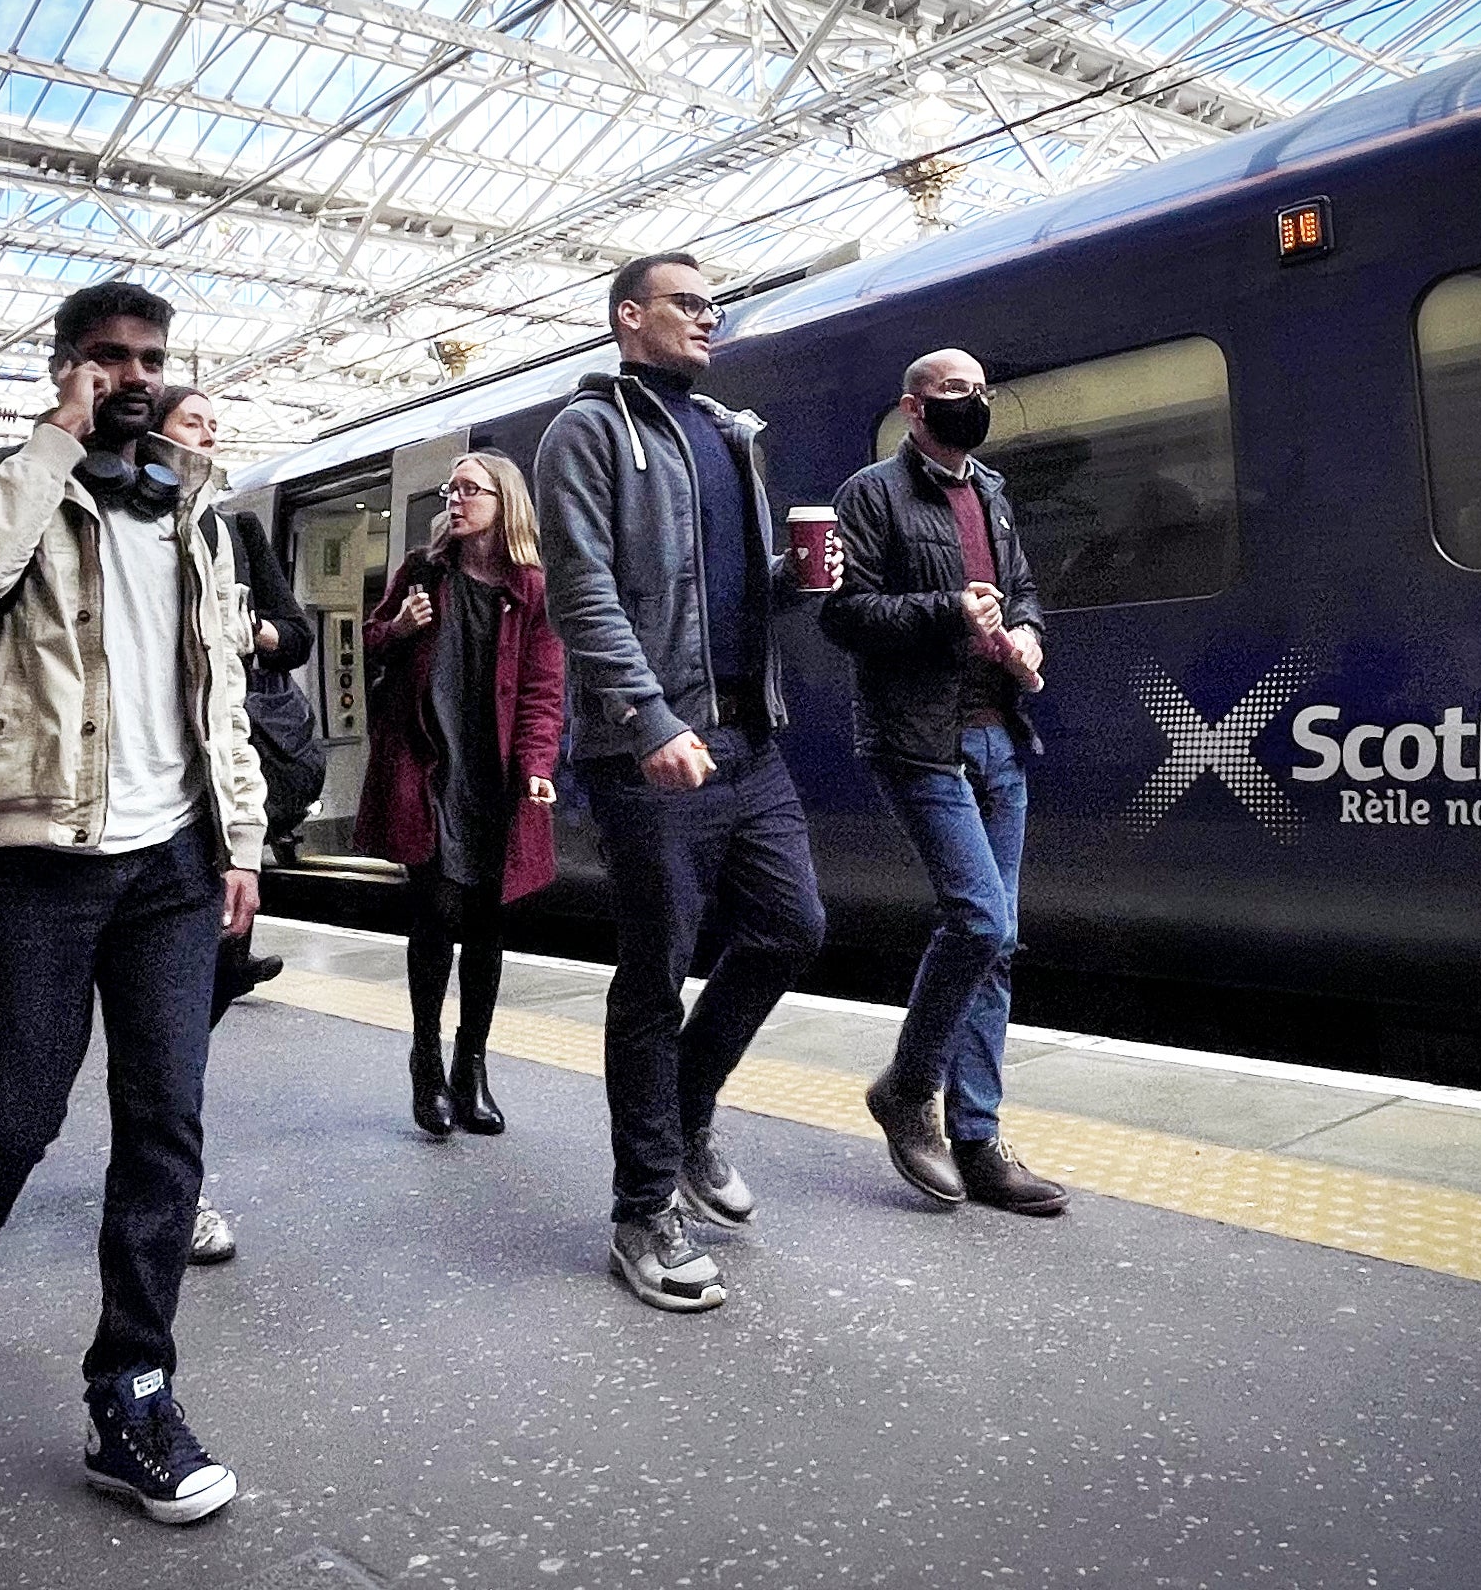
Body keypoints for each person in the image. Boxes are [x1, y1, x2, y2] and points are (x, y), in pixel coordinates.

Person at [0, 280, 263, 1527]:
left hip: (172, 863)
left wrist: (244, 841)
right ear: (65, 365)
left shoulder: (197, 514)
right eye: (105, 358)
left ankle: (133, 1392)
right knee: (14, 1116)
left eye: (148, 358)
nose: (131, 376)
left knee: (166, 1128)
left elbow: (221, 697)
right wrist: (58, 434)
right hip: (39, 857)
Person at [534, 252, 840, 1314]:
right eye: (688, 302)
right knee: (654, 973)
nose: (711, 316)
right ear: (630, 317)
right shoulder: (588, 431)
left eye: (716, 302)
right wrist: (649, 716)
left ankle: (689, 1107)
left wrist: (794, 588)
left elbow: (722, 594)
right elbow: (581, 590)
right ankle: (640, 1208)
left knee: (792, 927)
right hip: (650, 753)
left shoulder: (725, 433)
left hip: (749, 742)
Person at [821, 349, 1066, 1217]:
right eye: (954, 393)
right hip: (920, 742)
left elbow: (1026, 592)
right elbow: (843, 615)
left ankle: (979, 1138)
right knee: (979, 917)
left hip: (1000, 734)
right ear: (913, 406)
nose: (972, 404)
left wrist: (1026, 636)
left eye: (980, 393)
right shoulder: (871, 495)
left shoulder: (991, 494)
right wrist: (946, 611)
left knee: (998, 944)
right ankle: (907, 1087)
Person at [356, 450, 565, 1139]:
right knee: (436, 915)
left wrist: (537, 763)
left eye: (470, 489)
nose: (456, 498)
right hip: (431, 769)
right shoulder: (423, 571)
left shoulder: (532, 588)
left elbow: (542, 688)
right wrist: (401, 629)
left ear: (504, 502)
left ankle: (472, 1069)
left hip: (496, 779)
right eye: (452, 489)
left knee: (486, 925)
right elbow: (373, 639)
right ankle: (427, 1060)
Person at [147, 383, 309, 1269]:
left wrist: (243, 634)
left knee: (177, 1024)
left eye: (214, 425)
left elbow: (296, 634)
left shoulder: (233, 530)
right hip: (109, 805)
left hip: (206, 788)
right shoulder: (102, 519)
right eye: (191, 422)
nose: (207, 436)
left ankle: (171, 1187)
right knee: (22, 1095)